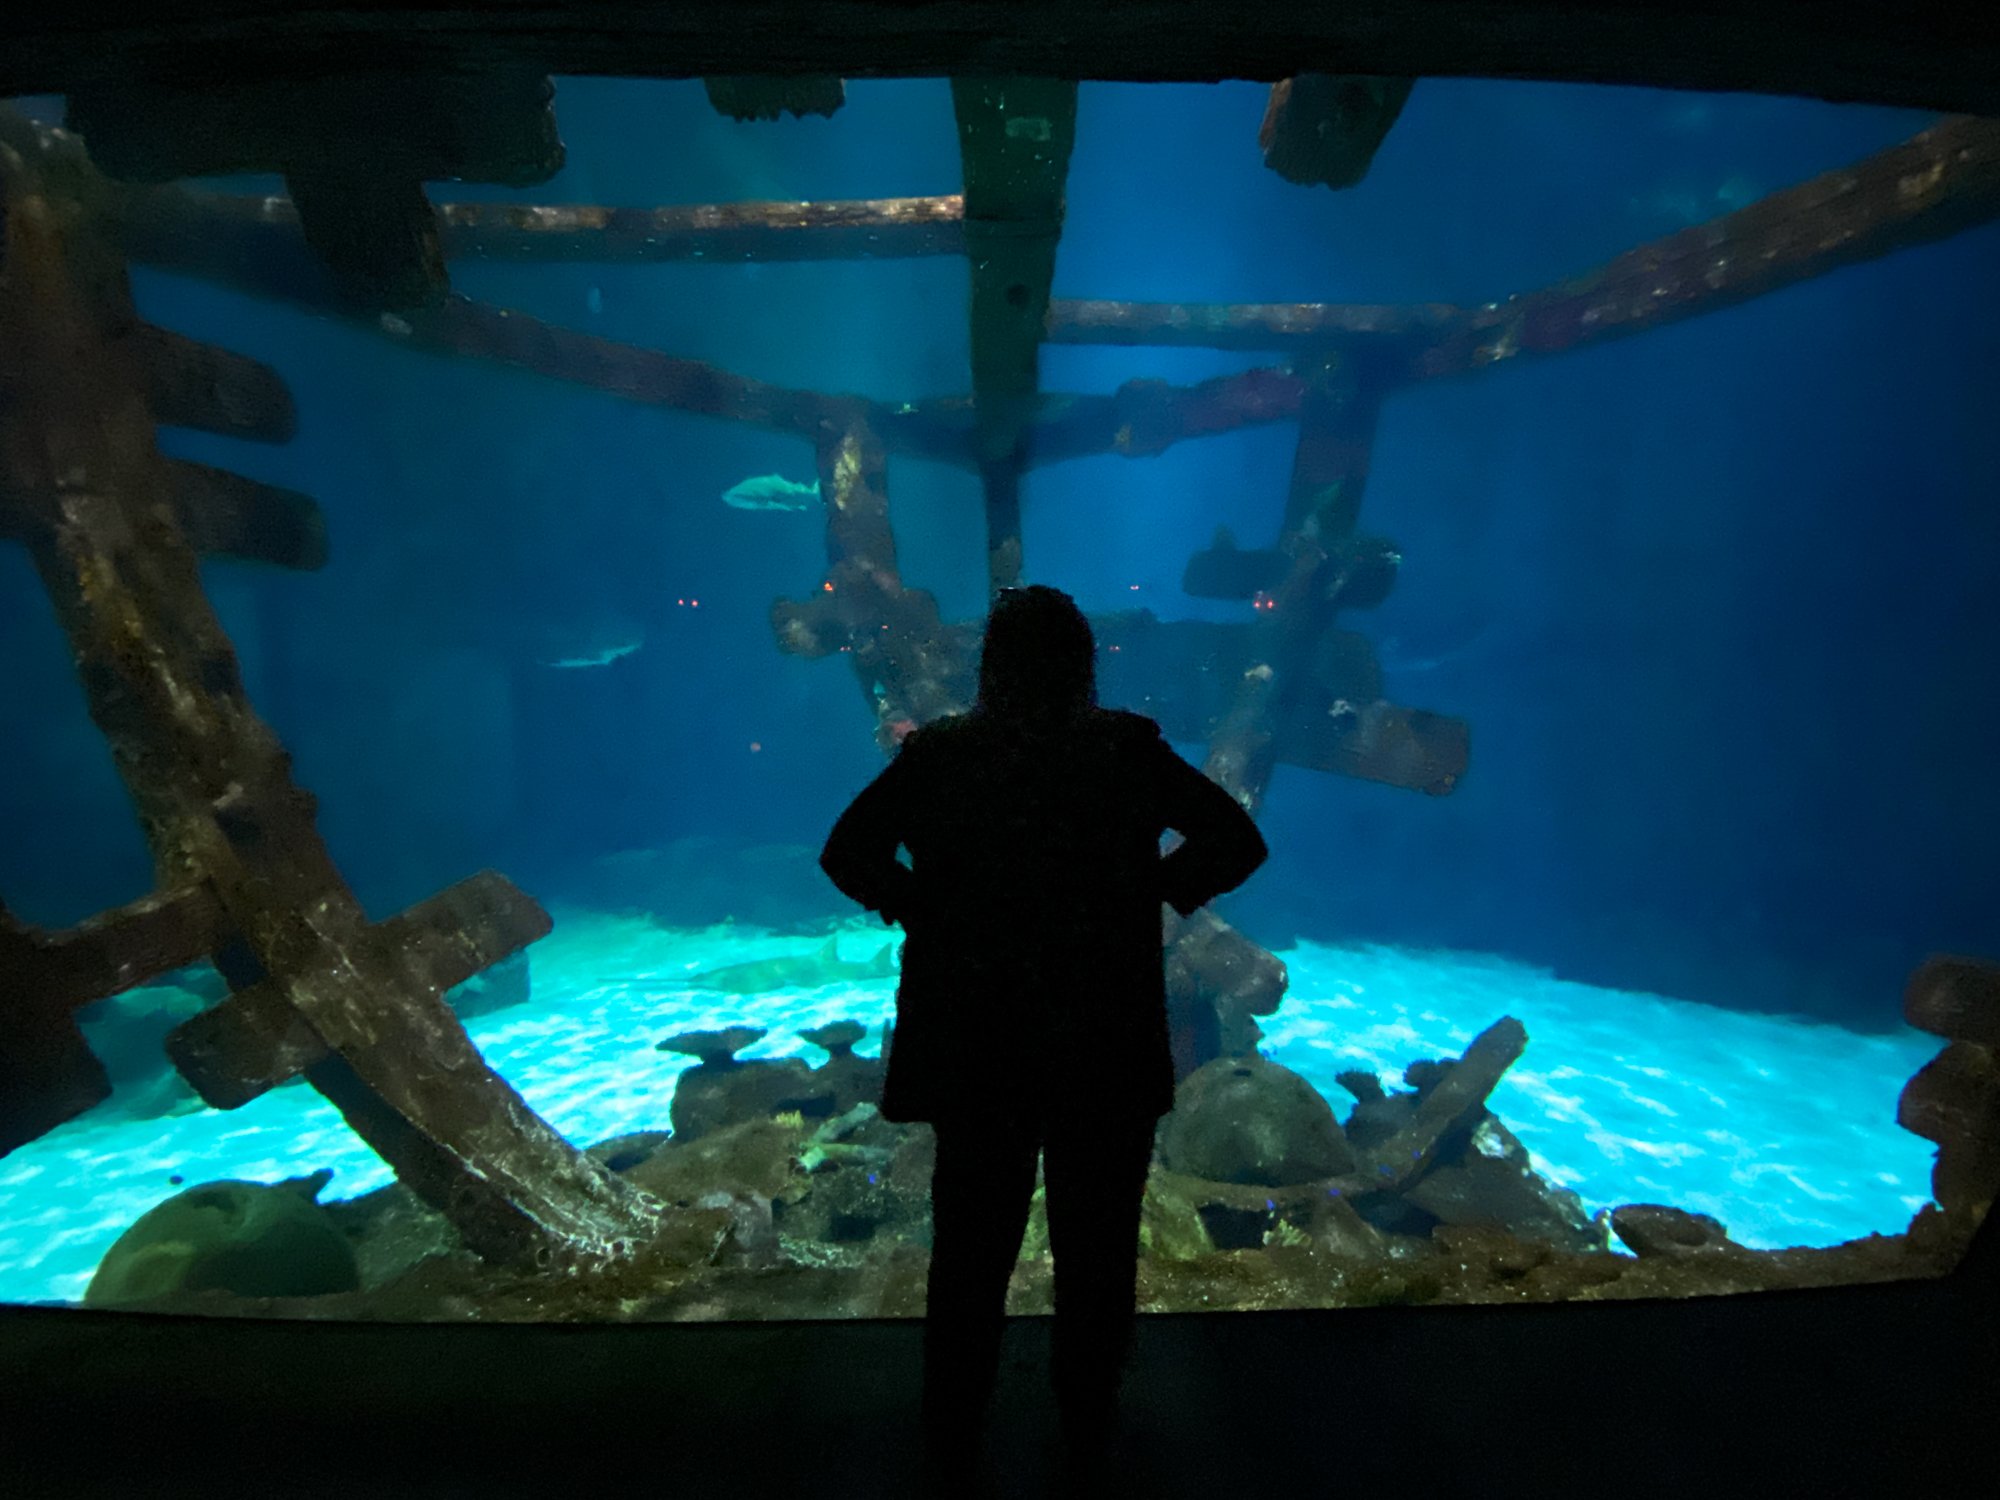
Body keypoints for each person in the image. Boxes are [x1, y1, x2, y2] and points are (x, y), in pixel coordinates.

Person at [819, 584, 1267, 1487]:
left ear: (991, 663)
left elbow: (846, 851)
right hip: (1103, 1033)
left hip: (979, 1037)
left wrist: (922, 908)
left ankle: (952, 1428)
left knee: (971, 1246)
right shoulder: (1123, 750)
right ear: (1082, 662)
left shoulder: (944, 755)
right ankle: (1089, 1427)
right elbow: (1235, 839)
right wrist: (1152, 894)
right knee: (1098, 1246)